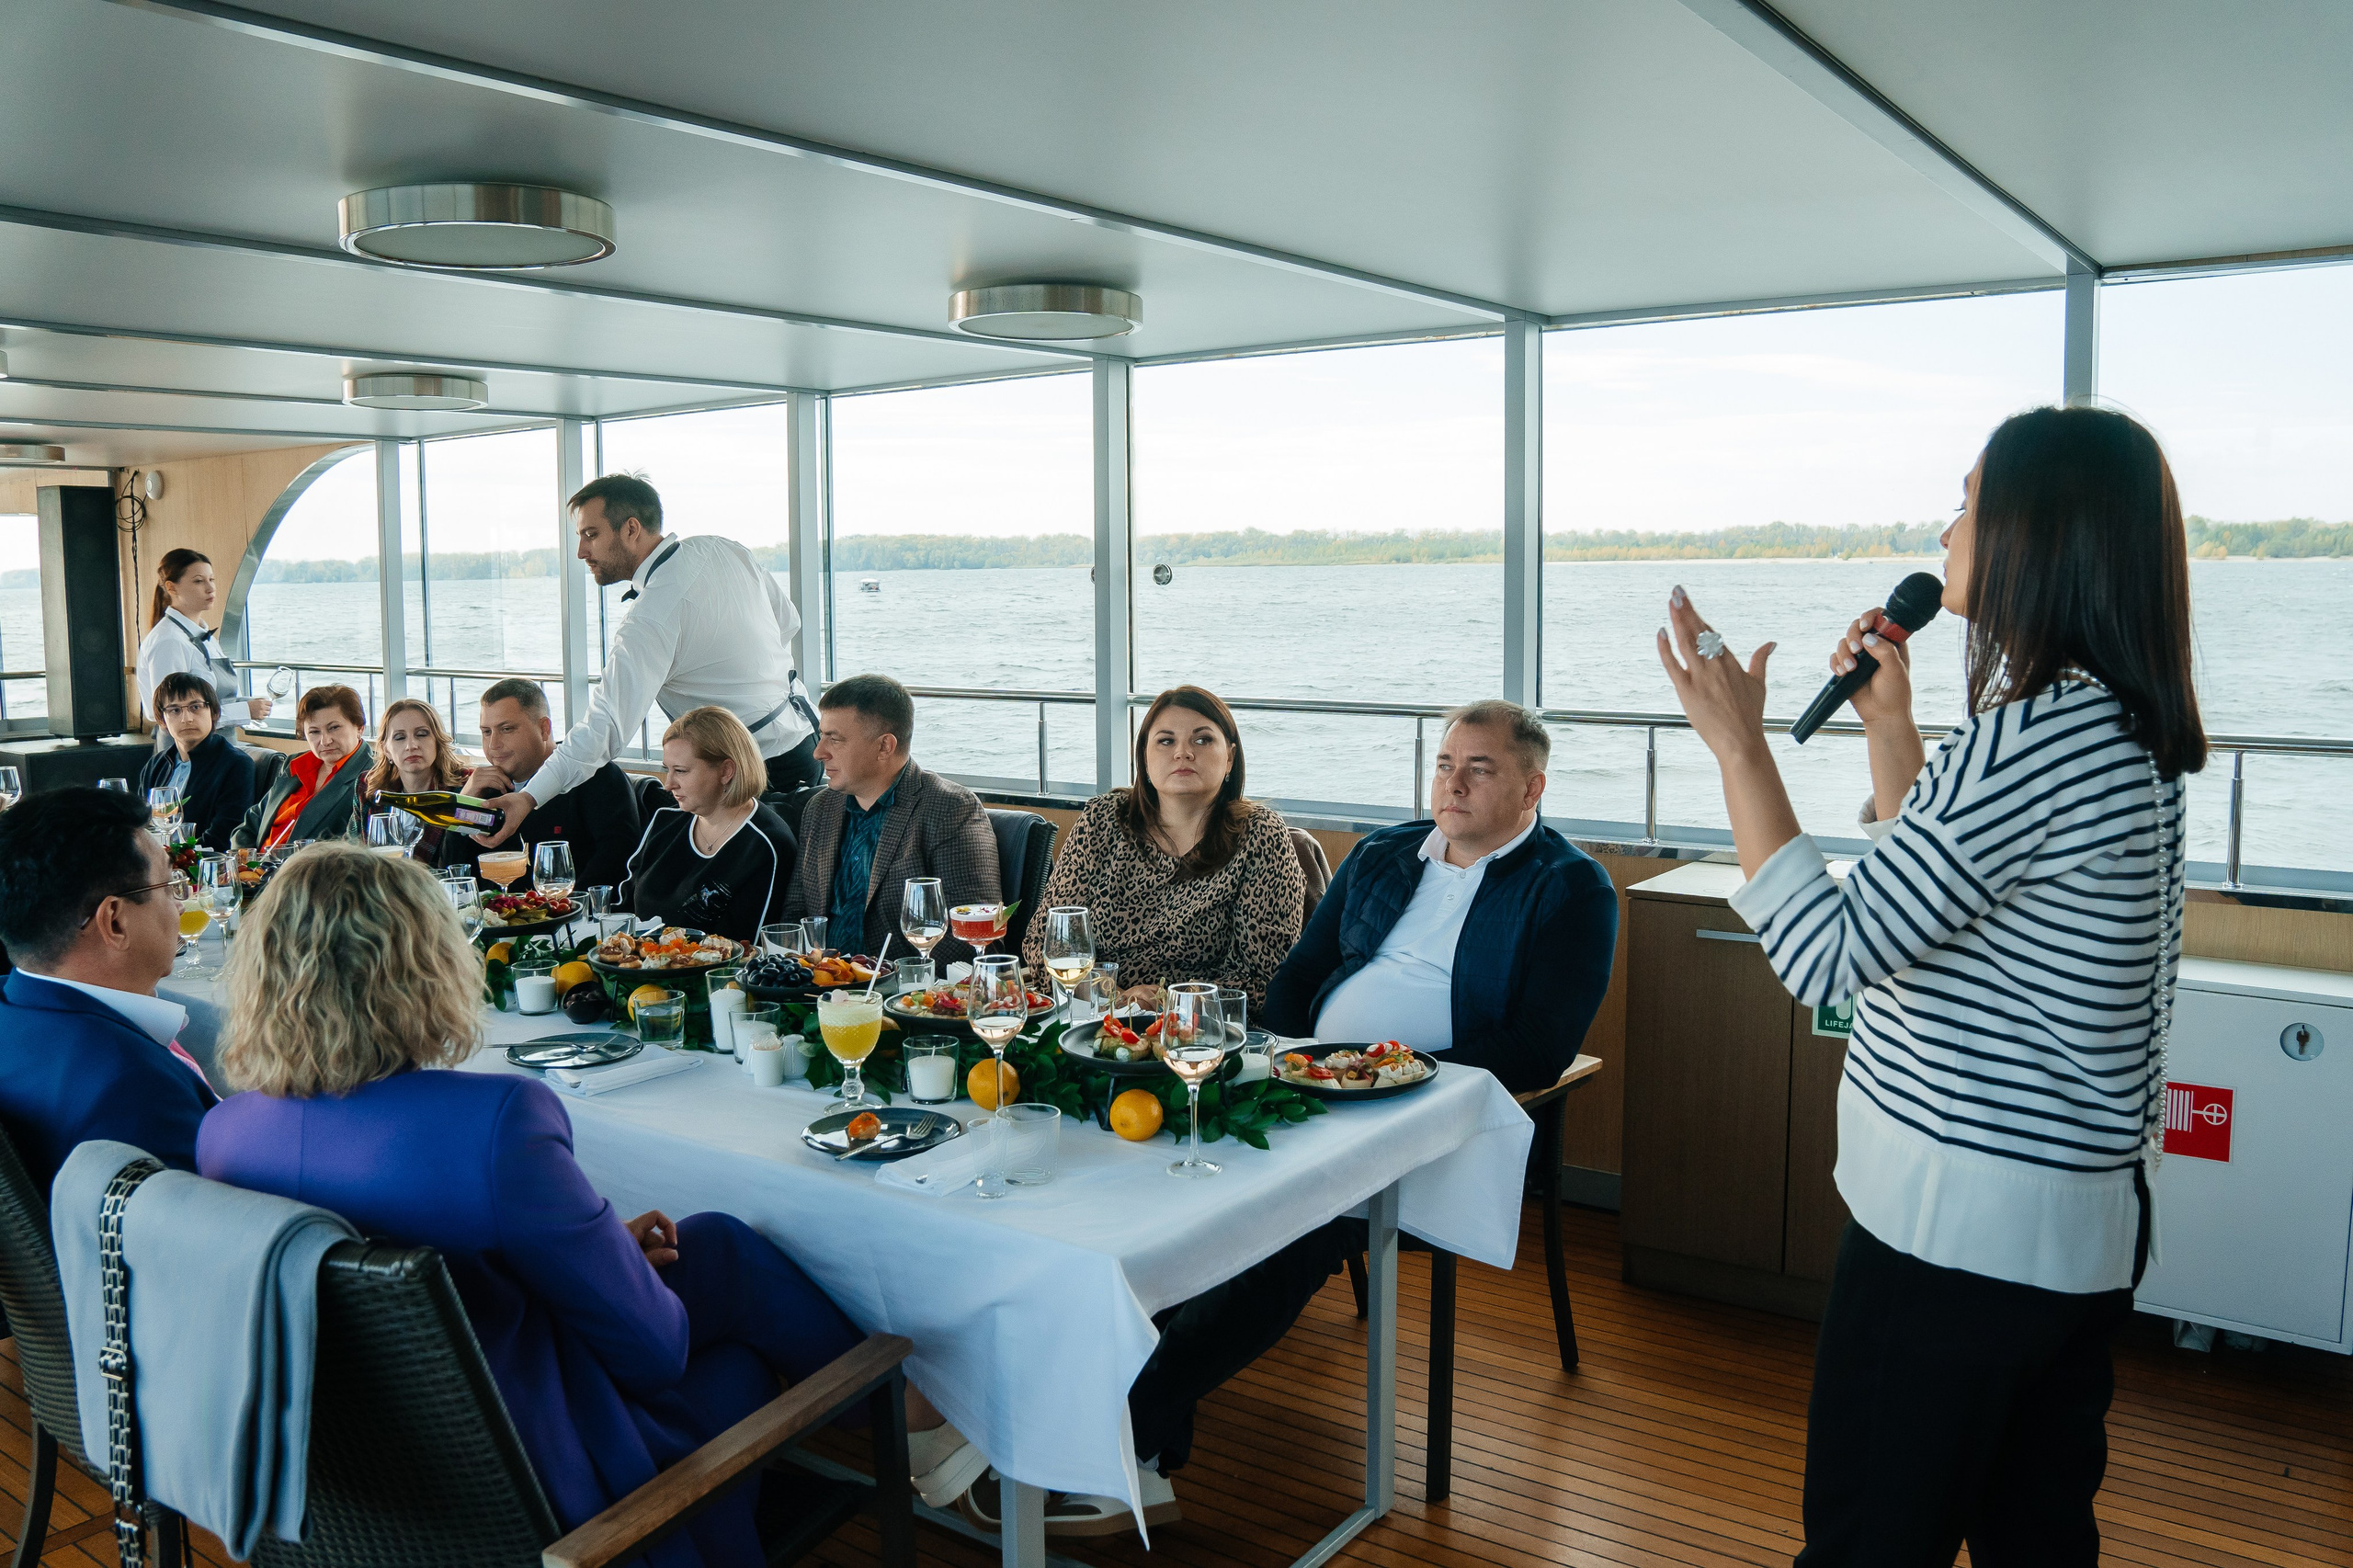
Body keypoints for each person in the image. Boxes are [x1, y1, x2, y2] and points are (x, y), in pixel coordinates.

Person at [1654, 405, 2202, 1564]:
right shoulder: (2119, 726)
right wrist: (1891, 725)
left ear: (2041, 534)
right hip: (2071, 1232)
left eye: (1967, 502)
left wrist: (1739, 747)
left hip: (1953, 1240)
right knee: (2033, 1538)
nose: (1945, 528)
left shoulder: (2028, 740)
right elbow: (1938, 903)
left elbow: (1830, 954)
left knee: (1866, 1542)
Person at [194, 846, 984, 1568]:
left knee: (713, 1246)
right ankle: (904, 1415)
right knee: (736, 1352)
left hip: (367, 1474)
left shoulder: (224, 1137)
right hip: (543, 1484)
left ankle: (903, 1419)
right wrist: (605, 1262)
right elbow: (655, 1350)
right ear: (423, 969)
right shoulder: (494, 1124)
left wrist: (598, 1247)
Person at [1263, 699, 1618, 1095]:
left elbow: (1539, 1049)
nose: (1454, 784)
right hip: (1315, 1079)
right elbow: (1299, 976)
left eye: (1479, 770)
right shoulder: (1378, 853)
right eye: (1445, 766)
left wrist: (1391, 1077)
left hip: (1435, 1095)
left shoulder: (1571, 887)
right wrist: (1296, 1065)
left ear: (1530, 790)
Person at [474, 474, 817, 851]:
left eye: (591, 534)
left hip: (745, 778)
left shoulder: (649, 619)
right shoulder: (723, 548)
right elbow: (788, 622)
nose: (581, 552)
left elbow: (603, 728)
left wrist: (528, 797)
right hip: (805, 742)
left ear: (631, 529)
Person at [1022, 686, 1302, 1009]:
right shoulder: (1102, 818)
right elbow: (1045, 940)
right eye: (1166, 741)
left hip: (1201, 1028)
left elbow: (1264, 977)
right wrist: (1111, 997)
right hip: (1094, 1014)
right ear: (1144, 756)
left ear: (1230, 758)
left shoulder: (1261, 834)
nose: (1183, 753)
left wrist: (1168, 1002)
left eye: (1202, 740)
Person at [0, 788, 214, 1191]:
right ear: (114, 921)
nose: (180, 905)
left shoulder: (11, 1005)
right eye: (169, 886)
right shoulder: (137, 1088)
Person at [783, 674, 998, 965]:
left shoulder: (950, 808)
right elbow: (796, 913)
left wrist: (898, 980)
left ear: (885, 746)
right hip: (819, 981)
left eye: (835, 739)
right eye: (821, 736)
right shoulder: (819, 808)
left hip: (903, 986)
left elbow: (976, 937)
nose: (818, 752)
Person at [620, 707, 797, 943]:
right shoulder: (664, 820)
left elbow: (747, 947)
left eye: (680, 771)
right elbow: (623, 907)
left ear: (726, 771)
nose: (668, 784)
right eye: (667, 770)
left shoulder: (766, 844)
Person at [457, 679, 640, 891]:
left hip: (573, 908)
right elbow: (454, 876)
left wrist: (559, 907)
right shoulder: (483, 788)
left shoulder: (595, 775)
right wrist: (463, 802)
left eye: (506, 729)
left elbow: (619, 861)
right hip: (496, 910)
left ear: (544, 729)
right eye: (486, 732)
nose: (493, 745)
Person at [133, 548, 272, 729]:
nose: (210, 588)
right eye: (198, 581)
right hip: (187, 745)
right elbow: (171, 714)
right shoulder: (169, 641)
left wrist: (247, 703)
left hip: (216, 742)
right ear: (171, 587)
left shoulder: (204, 636)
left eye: (211, 579)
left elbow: (215, 700)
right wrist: (243, 711)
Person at [233, 684, 373, 851]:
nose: (325, 741)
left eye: (334, 728)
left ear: (360, 727)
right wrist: (245, 860)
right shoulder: (295, 764)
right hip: (255, 864)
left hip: (309, 866)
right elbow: (251, 823)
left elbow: (355, 847)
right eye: (314, 732)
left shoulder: (372, 775)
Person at [138, 673, 256, 854]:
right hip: (156, 859)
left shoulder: (236, 765)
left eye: (195, 707)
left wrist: (174, 857)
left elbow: (225, 837)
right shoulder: (156, 765)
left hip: (204, 863)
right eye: (175, 710)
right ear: (162, 719)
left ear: (214, 712)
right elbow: (141, 826)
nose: (186, 719)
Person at [359, 698, 475, 868]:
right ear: (386, 749)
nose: (411, 745)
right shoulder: (367, 786)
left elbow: (457, 861)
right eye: (399, 737)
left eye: (421, 734)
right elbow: (355, 853)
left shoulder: (465, 785)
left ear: (437, 741)